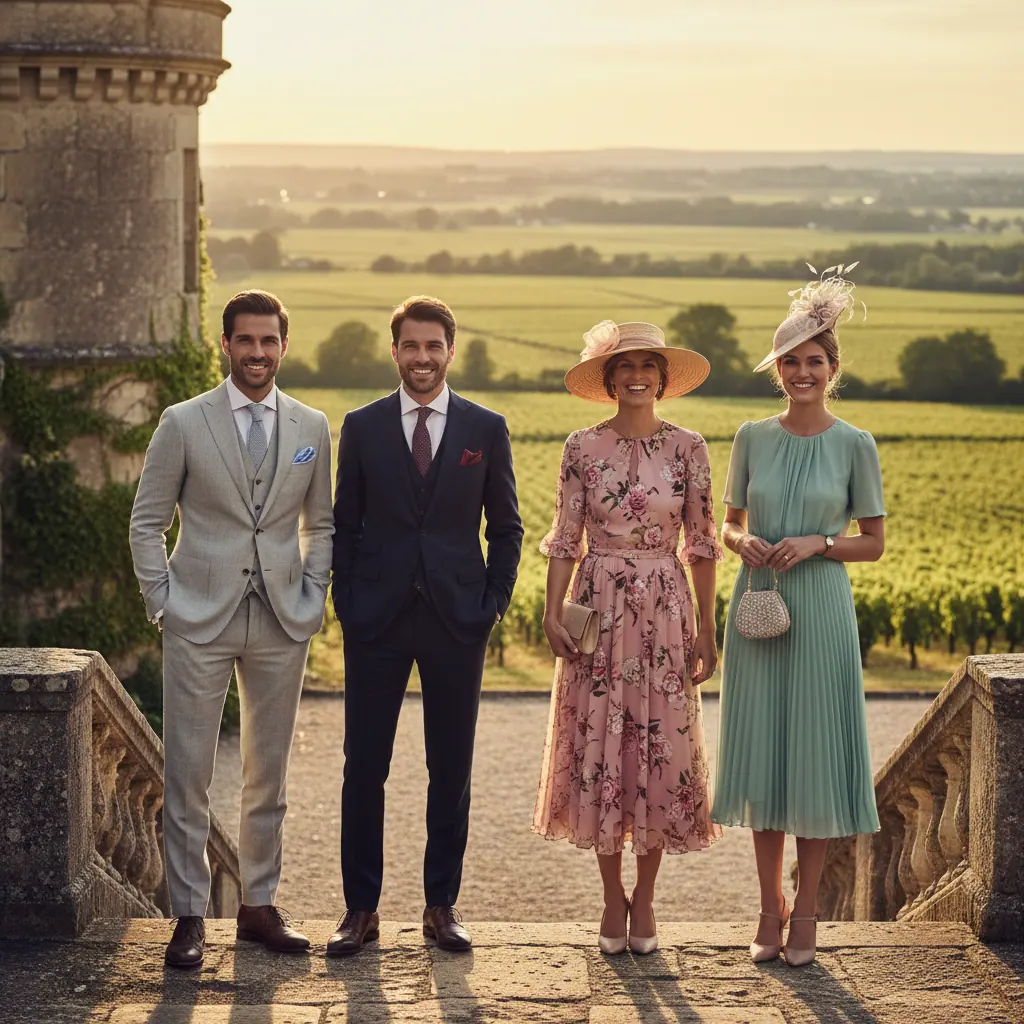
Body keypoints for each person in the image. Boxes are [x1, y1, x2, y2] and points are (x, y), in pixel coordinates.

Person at [130, 289, 334, 968]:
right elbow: (146, 521)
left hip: (282, 619)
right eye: (245, 341)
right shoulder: (184, 422)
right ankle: (188, 915)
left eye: (269, 341)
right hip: (198, 617)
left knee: (266, 775)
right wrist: (163, 600)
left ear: (283, 344)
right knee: (186, 772)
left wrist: (313, 592)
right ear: (226, 345)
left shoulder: (311, 428)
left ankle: (258, 906)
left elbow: (322, 524)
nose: (257, 353)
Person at [329, 295, 523, 956]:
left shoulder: (484, 428)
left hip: (456, 621)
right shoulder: (362, 425)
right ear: (395, 352)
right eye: (410, 347)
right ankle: (360, 909)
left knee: (451, 768)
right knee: (364, 768)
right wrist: (348, 605)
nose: (421, 358)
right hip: (376, 622)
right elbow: (343, 525)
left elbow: (507, 529)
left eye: (433, 346)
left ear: (449, 350)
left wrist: (490, 604)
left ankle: (441, 906)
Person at [712, 266, 885, 967]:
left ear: (833, 368)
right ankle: (767, 909)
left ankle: (806, 909)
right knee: (762, 759)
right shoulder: (751, 435)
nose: (802, 371)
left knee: (811, 760)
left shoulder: (856, 444)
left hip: (819, 610)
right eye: (791, 361)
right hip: (756, 604)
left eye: (815, 361)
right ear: (777, 370)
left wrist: (819, 543)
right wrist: (740, 539)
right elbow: (724, 524)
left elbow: (872, 543)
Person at [532, 320, 722, 956]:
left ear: (663, 378)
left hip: (665, 610)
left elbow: (701, 545)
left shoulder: (690, 448)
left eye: (647, 365)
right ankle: (612, 898)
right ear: (608, 378)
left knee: (658, 750)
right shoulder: (581, 446)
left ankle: (645, 899)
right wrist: (553, 609)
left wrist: (707, 629)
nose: (636, 375)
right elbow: (565, 536)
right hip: (600, 605)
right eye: (623, 366)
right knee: (603, 749)